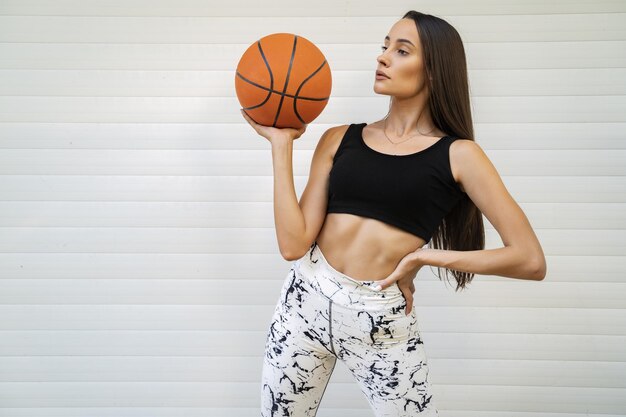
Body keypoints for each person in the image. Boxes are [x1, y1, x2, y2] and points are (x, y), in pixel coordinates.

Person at [241, 10, 546, 417]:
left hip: (379, 319)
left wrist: (426, 257)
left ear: (435, 71)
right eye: (385, 46)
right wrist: (281, 144)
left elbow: (529, 259)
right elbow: (293, 245)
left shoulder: (460, 156)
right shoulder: (339, 139)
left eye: (402, 50)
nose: (383, 57)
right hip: (304, 300)